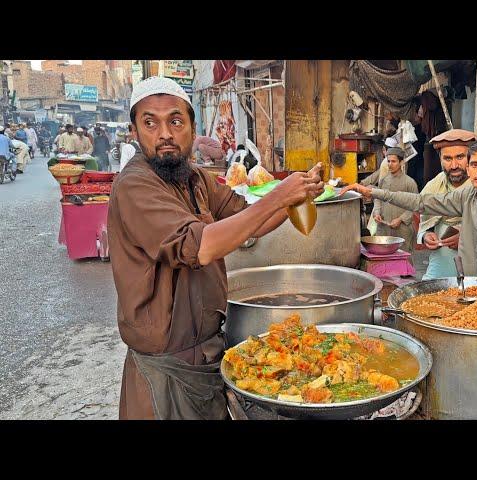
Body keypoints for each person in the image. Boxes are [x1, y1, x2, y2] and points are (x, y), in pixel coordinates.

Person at [107, 76, 324, 420]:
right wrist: (279, 196)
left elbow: (248, 219)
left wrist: (296, 198)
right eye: (150, 122)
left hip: (208, 354)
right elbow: (201, 247)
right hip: (166, 369)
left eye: (175, 121)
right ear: (134, 131)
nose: (164, 133)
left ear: (193, 129)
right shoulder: (135, 185)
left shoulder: (195, 178)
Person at [341, 137, 477, 283]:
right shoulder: (466, 194)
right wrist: (374, 192)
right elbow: (422, 202)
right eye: (475, 165)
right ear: (469, 168)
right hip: (469, 285)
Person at [418, 129, 477, 280]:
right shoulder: (434, 186)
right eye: (447, 158)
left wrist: (467, 238)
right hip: (442, 261)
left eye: (460, 157)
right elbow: (422, 220)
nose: (454, 165)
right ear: (440, 159)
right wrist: (426, 235)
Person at [371, 147, 419, 256]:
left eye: (393, 161)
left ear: (401, 162)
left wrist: (401, 219)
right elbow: (378, 198)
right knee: (383, 257)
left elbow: (415, 206)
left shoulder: (410, 183)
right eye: (388, 161)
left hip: (402, 228)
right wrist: (377, 213)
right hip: (384, 226)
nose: (390, 164)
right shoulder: (383, 181)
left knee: (404, 258)